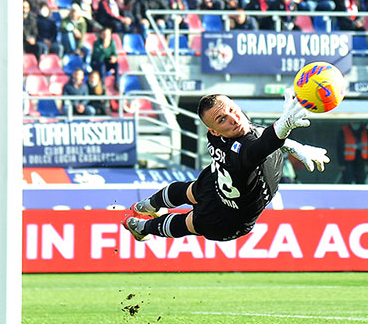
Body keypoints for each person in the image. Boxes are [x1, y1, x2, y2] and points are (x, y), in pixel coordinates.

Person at [122, 90, 329, 242]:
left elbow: (256, 134)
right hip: (227, 218)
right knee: (190, 222)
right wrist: (282, 129)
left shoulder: (220, 137)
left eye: (232, 109)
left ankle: (146, 206)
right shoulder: (242, 152)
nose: (233, 118)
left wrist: (292, 145)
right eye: (222, 119)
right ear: (215, 132)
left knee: (190, 190)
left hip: (216, 184)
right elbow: (258, 146)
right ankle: (143, 227)